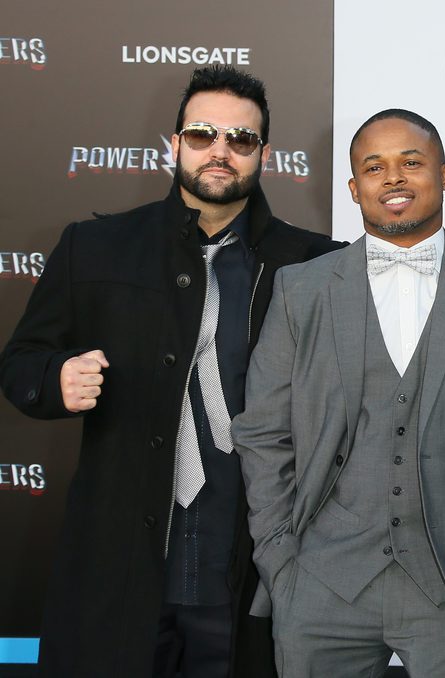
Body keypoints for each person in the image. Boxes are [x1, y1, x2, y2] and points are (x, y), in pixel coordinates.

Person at [0, 66, 343, 678]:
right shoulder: (94, 247)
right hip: (122, 569)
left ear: (264, 154)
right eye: (202, 134)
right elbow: (21, 361)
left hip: (250, 573)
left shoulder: (317, 263)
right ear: (173, 143)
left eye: (241, 140)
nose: (220, 151)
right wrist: (53, 380)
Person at [231, 109, 445, 678]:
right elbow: (263, 432)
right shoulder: (302, 290)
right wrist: (281, 561)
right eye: (375, 166)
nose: (395, 178)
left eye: (412, 162)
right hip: (321, 586)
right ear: (354, 187)